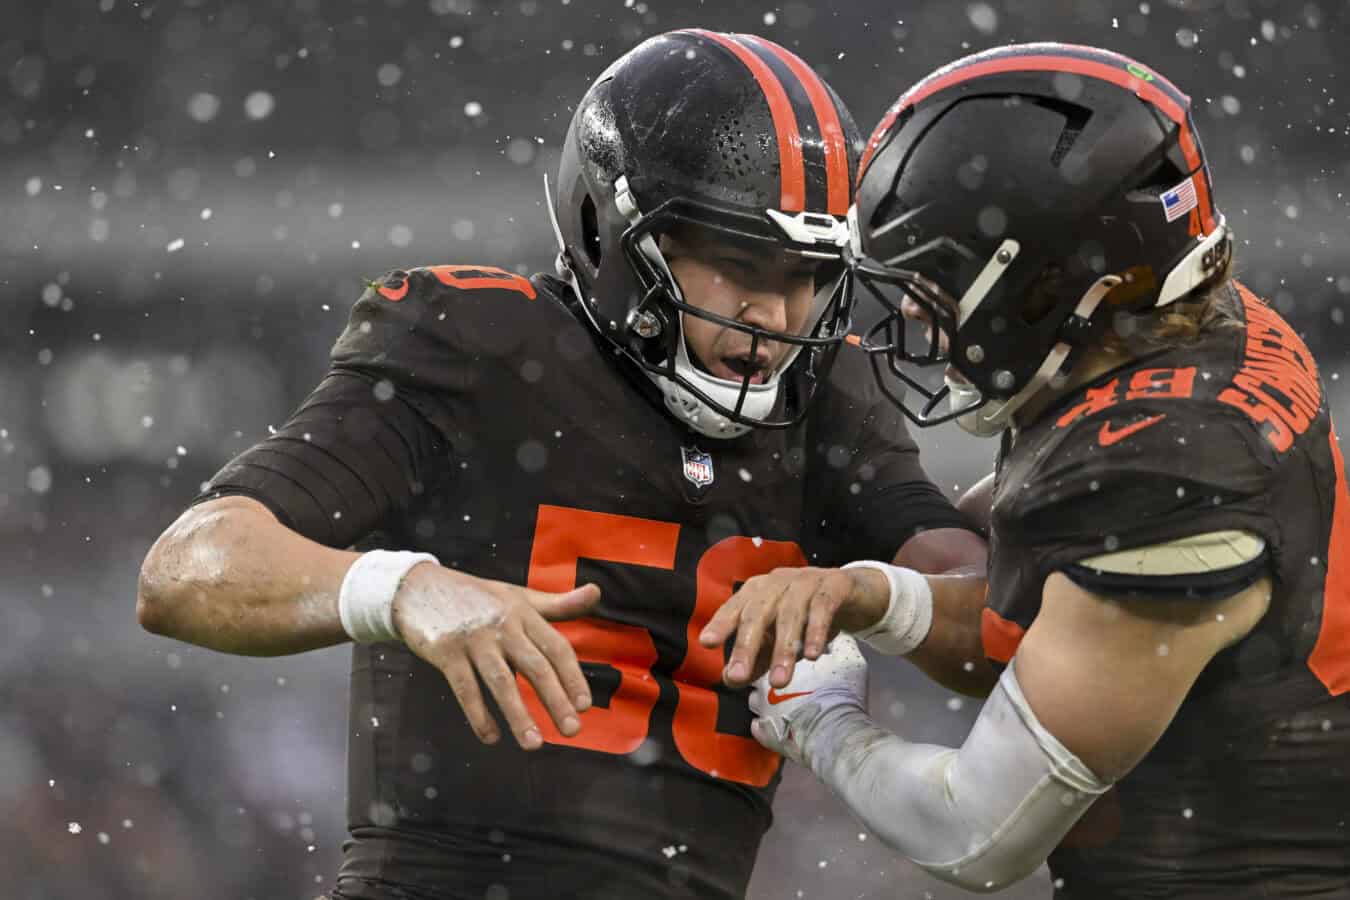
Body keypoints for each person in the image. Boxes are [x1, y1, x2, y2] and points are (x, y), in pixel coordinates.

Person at [135, 29, 985, 900]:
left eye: (806, 274)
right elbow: (187, 569)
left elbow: (991, 618)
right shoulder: (481, 347)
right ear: (609, 232)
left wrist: (872, 595)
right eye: (738, 265)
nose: (773, 313)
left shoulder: (823, 396)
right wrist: (405, 591)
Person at [702, 43, 1350, 897]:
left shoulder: (1167, 475)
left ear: (1050, 283)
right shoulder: (1152, 326)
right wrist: (870, 595)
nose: (910, 311)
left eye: (936, 277)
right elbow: (1042, 605)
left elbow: (974, 833)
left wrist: (821, 720)